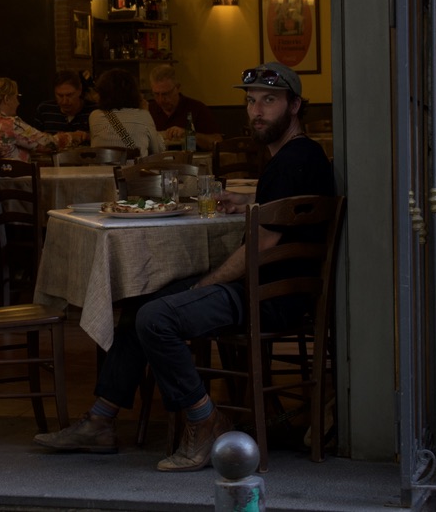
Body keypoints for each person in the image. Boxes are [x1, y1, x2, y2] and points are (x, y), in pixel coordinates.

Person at [34, 61, 335, 472]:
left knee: (156, 318)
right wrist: (250, 203)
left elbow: (260, 247)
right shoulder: (303, 156)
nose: (257, 111)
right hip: (275, 289)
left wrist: (206, 283)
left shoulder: (290, 161)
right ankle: (101, 421)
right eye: (251, 102)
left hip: (267, 297)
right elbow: (284, 210)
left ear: (295, 105)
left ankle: (205, 420)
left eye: (269, 101)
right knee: (141, 301)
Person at [0, 77, 88, 161]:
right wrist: (74, 136)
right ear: (6, 99)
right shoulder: (10, 124)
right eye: (17, 97)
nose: (18, 103)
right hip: (11, 184)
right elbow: (49, 144)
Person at [88, 68, 165, 158]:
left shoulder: (94, 116)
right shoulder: (143, 115)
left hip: (100, 167)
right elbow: (158, 149)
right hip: (133, 167)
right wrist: (145, 111)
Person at [146, 64, 223, 151]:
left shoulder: (196, 109)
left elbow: (217, 142)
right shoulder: (148, 110)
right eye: (156, 94)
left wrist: (189, 134)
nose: (161, 100)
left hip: (191, 159)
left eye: (166, 94)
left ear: (178, 88)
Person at [33, 69, 96, 134]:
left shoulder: (94, 111)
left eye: (69, 95)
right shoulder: (44, 110)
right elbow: (34, 138)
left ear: (79, 90)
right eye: (60, 95)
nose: (64, 101)